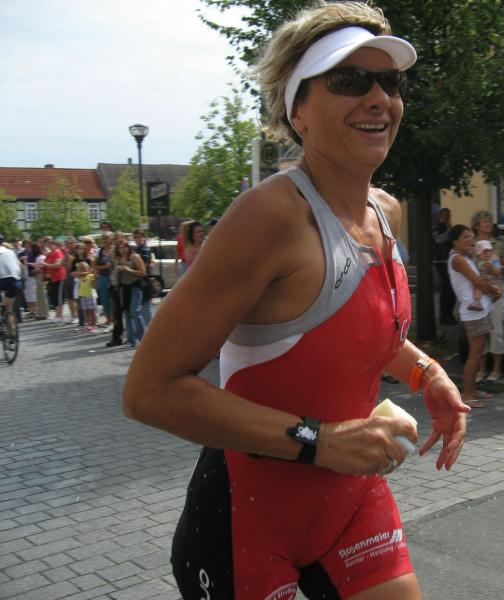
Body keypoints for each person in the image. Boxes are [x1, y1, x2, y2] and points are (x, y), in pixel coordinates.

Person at [123, 4, 468, 600]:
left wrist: (427, 372)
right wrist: (322, 442)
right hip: (249, 520)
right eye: (348, 80)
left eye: (389, 82)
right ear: (297, 111)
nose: (378, 98)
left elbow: (354, 333)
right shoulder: (269, 216)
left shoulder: (386, 212)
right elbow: (148, 391)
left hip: (351, 502)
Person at [448, 224, 501, 407]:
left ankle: (473, 389)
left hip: (479, 310)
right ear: (455, 241)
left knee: (478, 353)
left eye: (470, 236)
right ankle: (467, 394)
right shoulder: (457, 259)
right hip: (473, 312)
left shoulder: (465, 257)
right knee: (475, 353)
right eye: (465, 237)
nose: (470, 240)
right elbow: (477, 281)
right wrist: (494, 292)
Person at [471, 210, 504, 382]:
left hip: (496, 292)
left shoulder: (498, 245)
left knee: (496, 331)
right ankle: (481, 369)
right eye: (485, 221)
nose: (488, 224)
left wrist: (499, 269)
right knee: (480, 332)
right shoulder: (471, 245)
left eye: (490, 221)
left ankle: (496, 369)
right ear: (476, 225)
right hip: (477, 293)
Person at [113, 240, 147, 348]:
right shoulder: (118, 259)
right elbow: (115, 275)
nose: (122, 250)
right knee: (127, 314)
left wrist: (128, 269)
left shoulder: (134, 257)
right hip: (123, 288)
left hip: (135, 287)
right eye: (120, 248)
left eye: (124, 247)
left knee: (135, 311)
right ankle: (131, 340)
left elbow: (143, 272)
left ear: (128, 247)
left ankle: (143, 339)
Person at [432, 207, 456, 325]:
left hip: (449, 260)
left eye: (448, 215)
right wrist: (449, 231)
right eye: (445, 215)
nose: (447, 217)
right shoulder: (437, 227)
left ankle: (449, 314)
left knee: (450, 289)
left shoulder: (448, 227)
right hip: (440, 261)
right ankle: (444, 316)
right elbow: (438, 240)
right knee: (447, 288)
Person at [0, 235, 23, 330]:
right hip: (14, 281)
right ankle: (12, 333)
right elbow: (20, 266)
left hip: (2, 280)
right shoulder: (11, 252)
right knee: (8, 309)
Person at [42, 239, 67, 322]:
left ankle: (60, 316)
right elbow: (44, 264)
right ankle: (57, 315)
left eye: (51, 244)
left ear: (55, 245)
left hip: (59, 277)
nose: (50, 246)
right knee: (54, 297)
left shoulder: (58, 253)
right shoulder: (49, 254)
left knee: (59, 297)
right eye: (48, 244)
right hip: (52, 278)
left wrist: (46, 265)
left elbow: (57, 264)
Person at [74, 261, 97, 333]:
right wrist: (89, 271)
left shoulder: (91, 276)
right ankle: (88, 326)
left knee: (92, 311)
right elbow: (77, 274)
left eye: (84, 267)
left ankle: (94, 326)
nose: (82, 269)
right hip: (83, 295)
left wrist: (94, 278)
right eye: (81, 268)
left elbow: (93, 286)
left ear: (87, 268)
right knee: (86, 312)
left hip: (90, 295)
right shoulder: (80, 275)